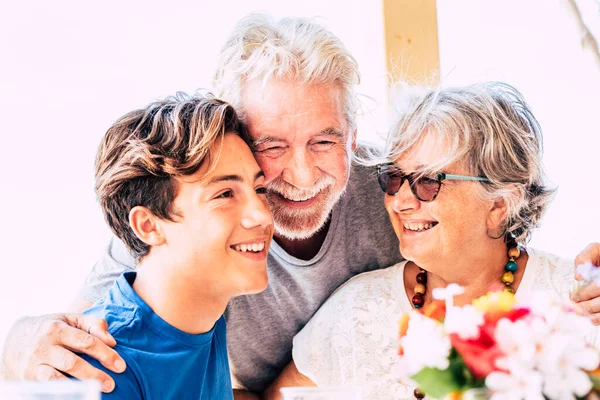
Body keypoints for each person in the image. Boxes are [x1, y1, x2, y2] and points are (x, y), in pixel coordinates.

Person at [2, 14, 600, 398]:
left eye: (325, 141)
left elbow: (496, 234)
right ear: (233, 140)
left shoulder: (395, 190)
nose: (303, 175)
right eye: (270, 147)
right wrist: (22, 339)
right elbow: (79, 336)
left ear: (352, 134)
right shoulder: (179, 232)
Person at [290, 82, 600, 399]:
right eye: (394, 177)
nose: (399, 201)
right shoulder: (356, 311)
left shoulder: (582, 305)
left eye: (428, 181)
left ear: (499, 204)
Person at [79, 93, 273, 399]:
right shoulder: (101, 369)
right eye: (225, 194)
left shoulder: (202, 324)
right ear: (149, 226)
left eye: (260, 189)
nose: (262, 214)